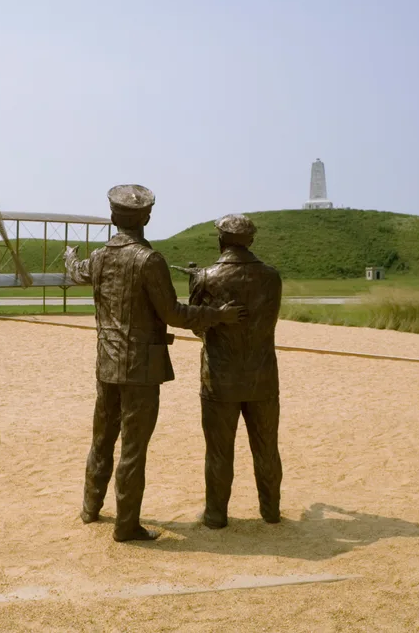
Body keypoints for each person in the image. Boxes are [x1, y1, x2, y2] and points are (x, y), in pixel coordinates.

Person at [64, 185, 246, 542]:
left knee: (101, 438)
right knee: (133, 447)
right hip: (141, 369)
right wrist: (217, 316)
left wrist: (69, 256)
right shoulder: (149, 261)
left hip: (107, 363)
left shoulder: (100, 257)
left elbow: (76, 270)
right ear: (146, 217)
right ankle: (126, 525)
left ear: (113, 217)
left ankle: (91, 507)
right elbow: (174, 313)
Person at [188, 214, 283, 529]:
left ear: (221, 240)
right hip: (263, 378)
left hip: (219, 380)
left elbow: (197, 329)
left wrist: (197, 286)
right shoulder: (272, 278)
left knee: (218, 451)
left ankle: (216, 515)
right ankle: (270, 511)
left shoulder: (205, 277)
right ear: (251, 241)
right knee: (267, 448)